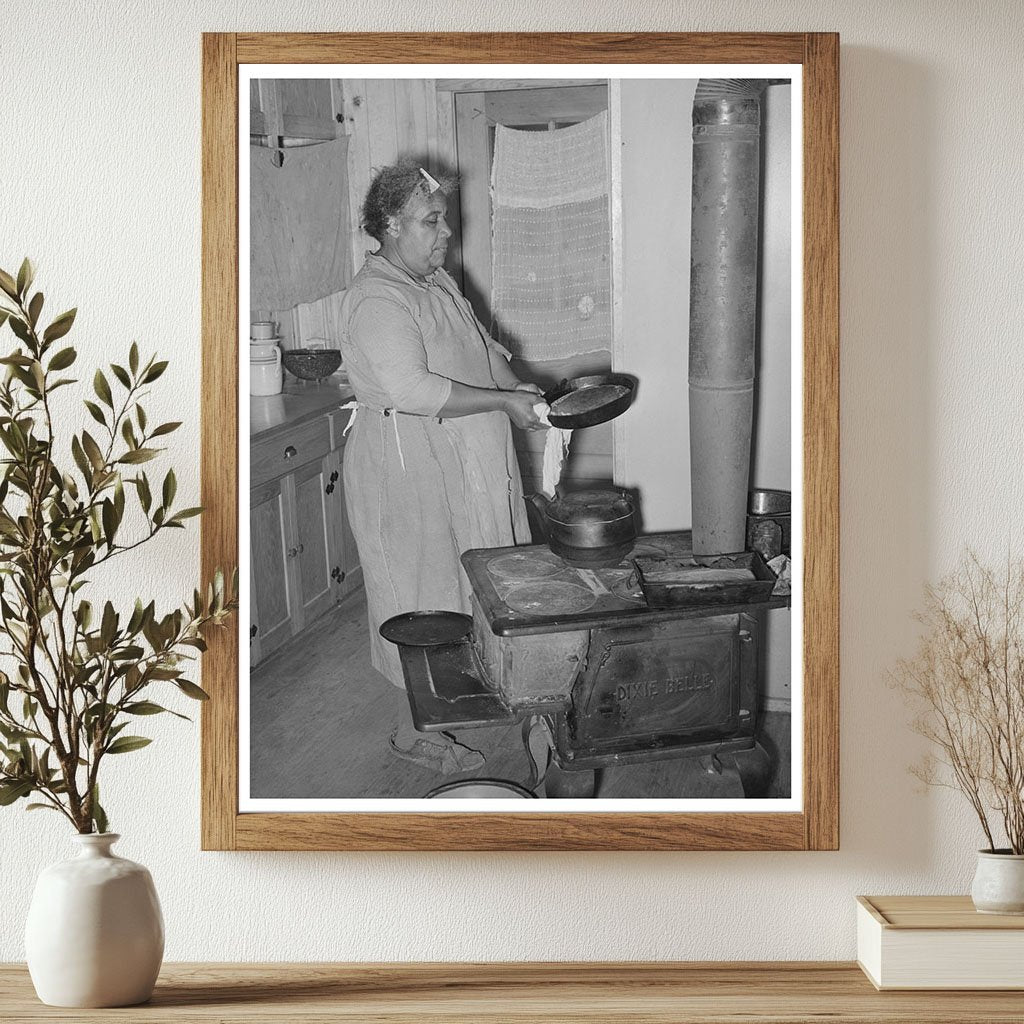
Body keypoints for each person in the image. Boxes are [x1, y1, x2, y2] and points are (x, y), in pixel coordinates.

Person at [338, 161, 546, 774]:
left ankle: (481, 692)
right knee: (420, 591)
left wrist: (519, 388)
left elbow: (486, 350)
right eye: (432, 221)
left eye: (444, 220)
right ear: (392, 225)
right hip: (407, 464)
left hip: (463, 456)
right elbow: (414, 389)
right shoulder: (377, 297)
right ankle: (415, 729)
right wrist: (503, 402)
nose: (445, 232)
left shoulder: (436, 283)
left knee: (478, 576)